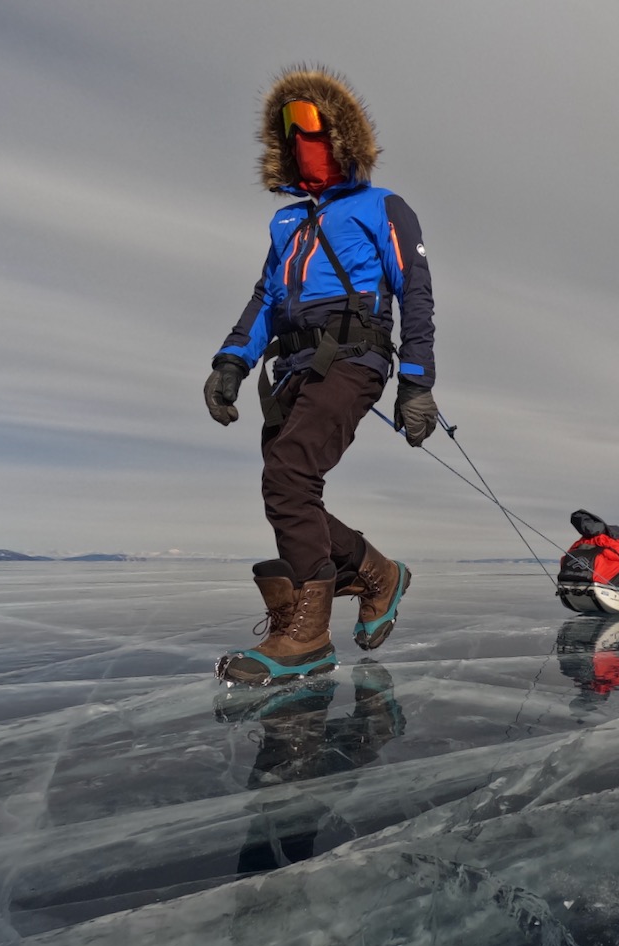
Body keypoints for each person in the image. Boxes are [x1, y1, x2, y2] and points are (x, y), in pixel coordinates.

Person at [205, 66, 438, 685]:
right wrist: (231, 361)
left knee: (289, 476)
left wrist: (417, 381)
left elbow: (415, 290)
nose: (299, 144)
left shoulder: (383, 207)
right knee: (287, 488)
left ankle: (306, 635)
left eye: (312, 132)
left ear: (342, 139)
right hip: (292, 366)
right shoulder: (286, 223)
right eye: (290, 136)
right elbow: (264, 297)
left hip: (354, 357)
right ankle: (378, 573)